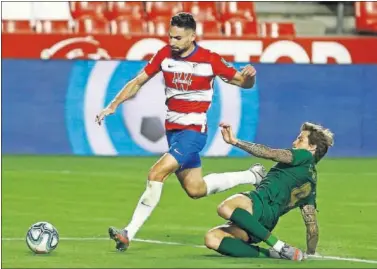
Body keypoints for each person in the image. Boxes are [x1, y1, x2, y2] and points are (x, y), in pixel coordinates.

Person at [95, 12, 263, 252]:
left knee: (156, 173)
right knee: (195, 189)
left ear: (193, 36)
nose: (172, 42)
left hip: (193, 133)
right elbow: (138, 81)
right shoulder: (164, 55)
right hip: (173, 132)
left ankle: (128, 232)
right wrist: (113, 104)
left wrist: (249, 79)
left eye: (178, 38)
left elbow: (241, 83)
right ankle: (252, 176)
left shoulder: (210, 60)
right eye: (170, 36)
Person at [204, 122, 334, 261]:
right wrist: (311, 252)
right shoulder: (311, 185)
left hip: (260, 202)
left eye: (300, 139)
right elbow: (312, 226)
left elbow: (270, 153)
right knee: (212, 239)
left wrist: (235, 142)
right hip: (266, 223)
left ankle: (278, 246)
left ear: (312, 147)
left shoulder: (304, 155)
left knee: (226, 207)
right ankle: (273, 253)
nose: (294, 142)